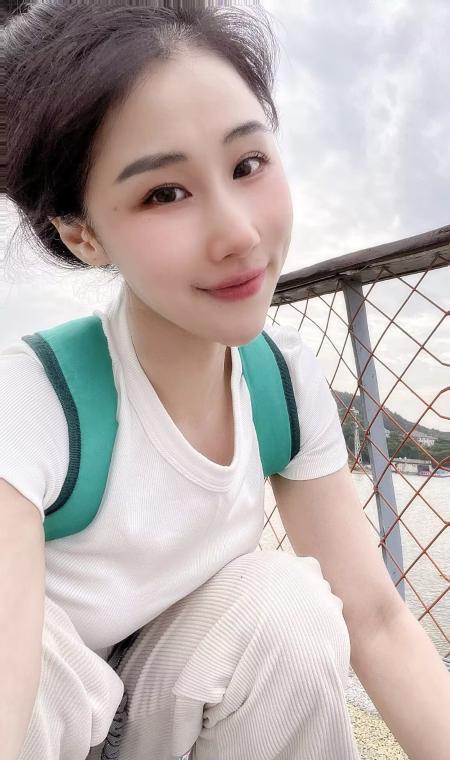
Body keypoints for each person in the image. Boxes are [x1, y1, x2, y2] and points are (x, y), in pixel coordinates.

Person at [4, 3, 450, 760]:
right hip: (45, 723)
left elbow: (374, 619)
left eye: (247, 165)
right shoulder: (35, 400)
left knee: (290, 608)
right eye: (164, 193)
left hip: (160, 712)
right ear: (81, 234)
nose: (239, 234)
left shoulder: (282, 380)